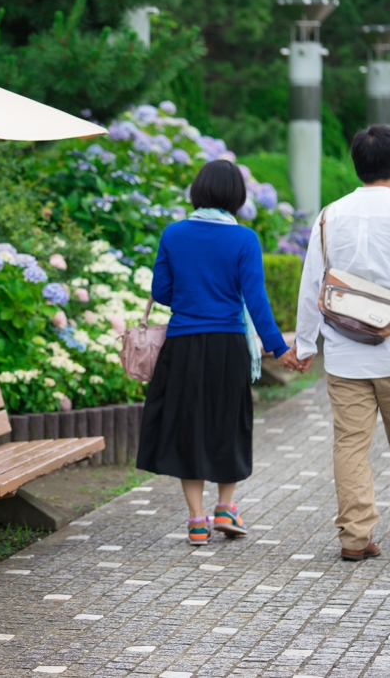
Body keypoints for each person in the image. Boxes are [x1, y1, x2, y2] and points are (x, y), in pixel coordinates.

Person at [292, 125, 390, 561]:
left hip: (344, 356)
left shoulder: (329, 215)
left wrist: (305, 346)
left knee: (349, 444)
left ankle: (355, 536)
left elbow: (313, 287)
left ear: (357, 166)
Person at [137, 160, 297, 546]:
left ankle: (196, 520)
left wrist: (194, 297)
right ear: (237, 197)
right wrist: (280, 349)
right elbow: (256, 301)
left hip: (184, 344)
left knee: (188, 427)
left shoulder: (174, 234)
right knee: (229, 423)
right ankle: (225, 507)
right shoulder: (244, 240)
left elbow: (161, 292)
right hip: (228, 345)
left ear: (197, 191)